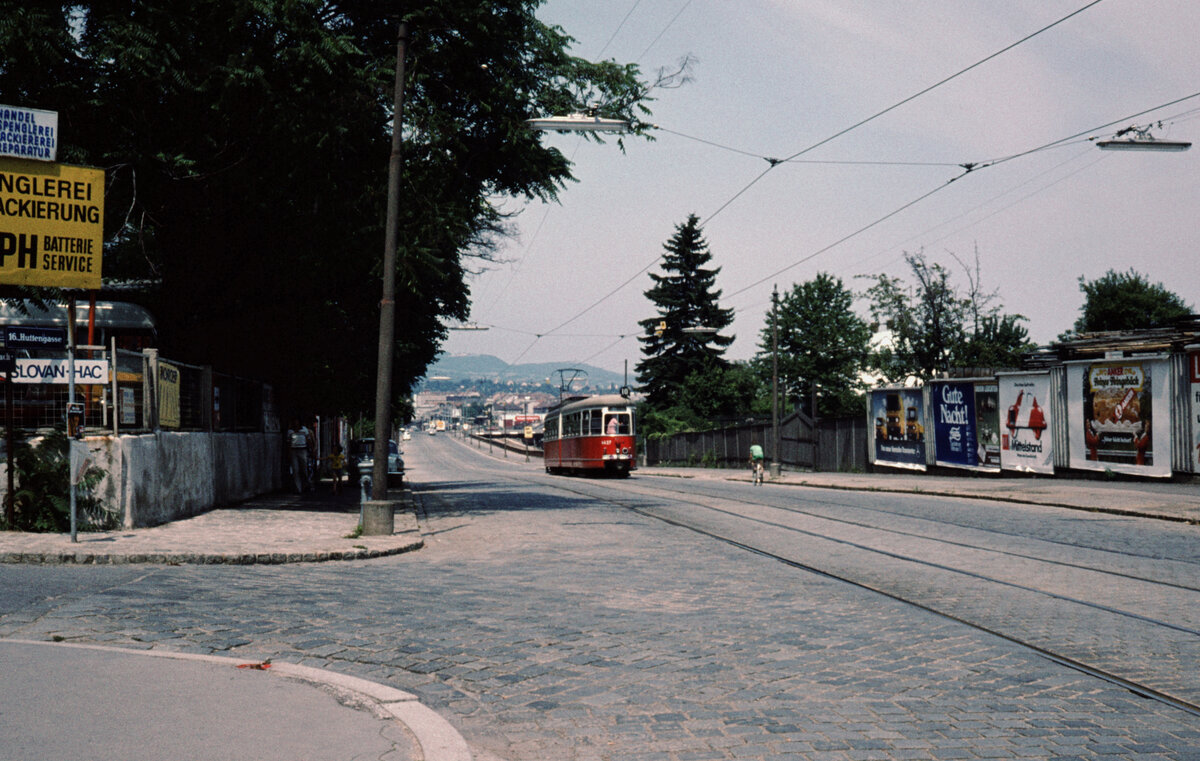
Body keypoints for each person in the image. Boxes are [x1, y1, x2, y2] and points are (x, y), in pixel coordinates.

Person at [286, 418, 312, 493]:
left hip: (303, 449)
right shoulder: (290, 431)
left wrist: (311, 449)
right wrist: (288, 453)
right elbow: (288, 443)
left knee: (304, 469)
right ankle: (298, 488)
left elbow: (308, 440)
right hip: (293, 450)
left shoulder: (304, 430)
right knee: (295, 469)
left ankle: (305, 484)